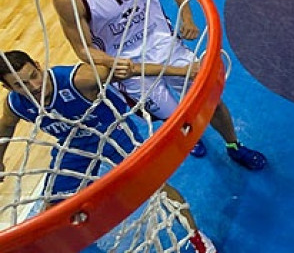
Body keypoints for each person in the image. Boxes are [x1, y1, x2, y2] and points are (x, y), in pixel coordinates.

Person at [49, 0, 266, 171]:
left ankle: (234, 146)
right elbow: (83, 49)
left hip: (164, 45)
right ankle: (190, 136)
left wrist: (186, 16)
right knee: (176, 118)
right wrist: (110, 61)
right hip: (130, 70)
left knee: (211, 103)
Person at [0, 50, 216, 252]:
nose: (34, 86)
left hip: (114, 134)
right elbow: (5, 128)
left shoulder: (79, 79)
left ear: (38, 65)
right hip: (74, 144)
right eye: (21, 85)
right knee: (53, 209)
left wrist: (182, 71)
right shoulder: (15, 105)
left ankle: (196, 237)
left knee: (155, 186)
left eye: (34, 75)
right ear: (8, 88)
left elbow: (130, 70)